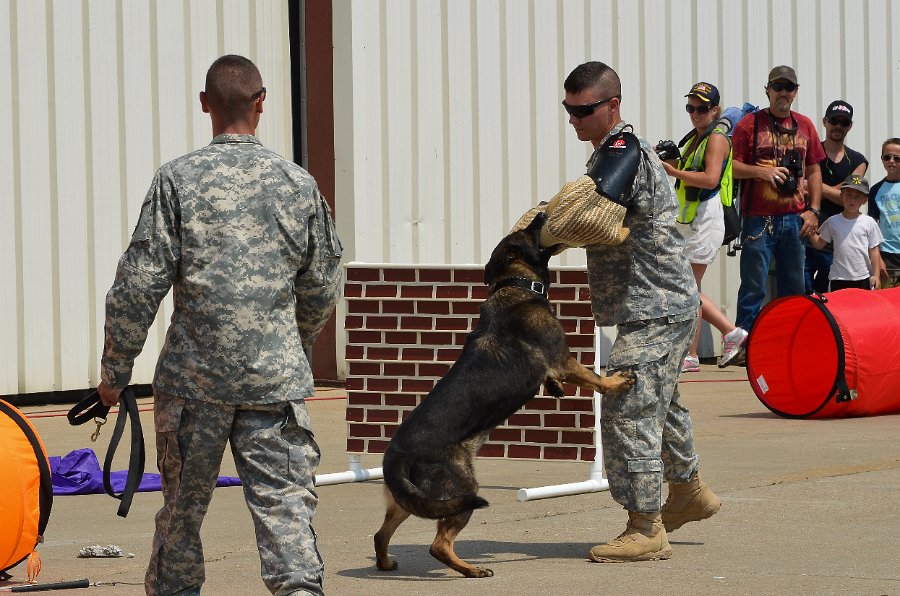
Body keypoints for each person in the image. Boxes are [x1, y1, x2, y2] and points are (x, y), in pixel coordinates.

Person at [96, 55, 342, 596]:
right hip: (273, 385)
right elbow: (323, 283)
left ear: (205, 103)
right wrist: (290, 345)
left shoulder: (176, 180)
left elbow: (140, 281)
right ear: (262, 102)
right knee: (285, 511)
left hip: (193, 385)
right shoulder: (298, 184)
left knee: (182, 515)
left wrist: (115, 370)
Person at [559, 61, 720, 563]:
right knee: (661, 403)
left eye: (584, 110)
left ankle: (645, 526)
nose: (574, 120)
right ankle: (689, 491)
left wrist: (538, 235)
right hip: (660, 303)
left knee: (627, 405)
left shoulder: (623, 149)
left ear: (613, 106)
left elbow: (587, 212)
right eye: (568, 110)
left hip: (656, 306)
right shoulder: (613, 151)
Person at [727, 65, 825, 365]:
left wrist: (814, 211)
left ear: (795, 92)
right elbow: (730, 167)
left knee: (794, 288)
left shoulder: (805, 125)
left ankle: (789, 345)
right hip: (758, 218)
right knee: (753, 286)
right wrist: (763, 172)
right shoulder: (749, 125)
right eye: (778, 87)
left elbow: (814, 170)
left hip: (795, 219)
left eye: (789, 88)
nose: (783, 93)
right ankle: (745, 347)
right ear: (767, 90)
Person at [660, 82, 748, 373]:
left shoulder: (716, 139)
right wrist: (673, 161)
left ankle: (695, 352)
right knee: (688, 288)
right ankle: (728, 335)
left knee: (688, 288)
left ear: (715, 110)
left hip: (705, 222)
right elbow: (692, 172)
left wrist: (673, 171)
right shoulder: (697, 138)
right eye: (691, 107)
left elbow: (710, 179)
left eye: (702, 108)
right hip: (692, 222)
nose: (695, 113)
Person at [806, 100, 868, 293]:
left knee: (829, 296)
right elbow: (800, 189)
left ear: (850, 126)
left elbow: (848, 198)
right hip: (806, 234)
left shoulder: (858, 161)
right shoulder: (807, 154)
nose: (838, 126)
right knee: (802, 294)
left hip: (837, 241)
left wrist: (814, 186)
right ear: (825, 122)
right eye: (834, 121)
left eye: (844, 122)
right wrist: (836, 190)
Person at [807, 175, 883, 290]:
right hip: (838, 278)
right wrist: (809, 231)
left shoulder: (869, 222)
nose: (852, 200)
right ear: (842, 196)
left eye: (857, 196)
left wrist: (876, 275)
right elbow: (819, 244)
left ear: (865, 200)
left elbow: (874, 250)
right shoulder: (832, 221)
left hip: (863, 277)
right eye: (849, 195)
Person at [869, 138, 900, 287]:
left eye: (897, 158)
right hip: (886, 255)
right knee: (887, 297)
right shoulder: (875, 190)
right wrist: (878, 259)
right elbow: (872, 227)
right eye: (887, 157)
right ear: (882, 159)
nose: (891, 161)